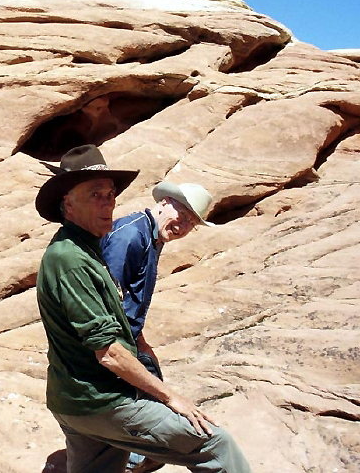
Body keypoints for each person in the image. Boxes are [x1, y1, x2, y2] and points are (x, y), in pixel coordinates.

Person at [35, 144, 251, 473]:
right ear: (68, 203)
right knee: (215, 445)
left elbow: (111, 311)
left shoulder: (84, 246)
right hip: (102, 397)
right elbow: (107, 349)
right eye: (95, 194)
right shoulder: (82, 255)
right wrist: (169, 396)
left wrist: (140, 345)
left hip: (77, 398)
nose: (108, 202)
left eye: (110, 194)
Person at [101, 181, 216, 473]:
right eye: (182, 213)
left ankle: (135, 459)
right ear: (164, 202)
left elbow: (130, 298)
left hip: (127, 338)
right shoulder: (131, 235)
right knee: (145, 410)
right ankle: (130, 461)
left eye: (192, 222)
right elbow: (106, 300)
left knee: (152, 392)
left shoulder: (151, 236)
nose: (184, 224)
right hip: (109, 344)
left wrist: (140, 340)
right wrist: (121, 348)